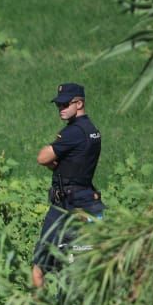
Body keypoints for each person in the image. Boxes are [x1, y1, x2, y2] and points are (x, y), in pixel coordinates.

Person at [32, 82, 103, 289]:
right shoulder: (92, 130)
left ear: (79, 103)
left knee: (38, 271)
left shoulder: (73, 132)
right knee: (82, 270)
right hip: (87, 200)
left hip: (66, 206)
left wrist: (56, 165)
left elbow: (42, 157)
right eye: (58, 105)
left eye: (65, 105)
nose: (61, 109)